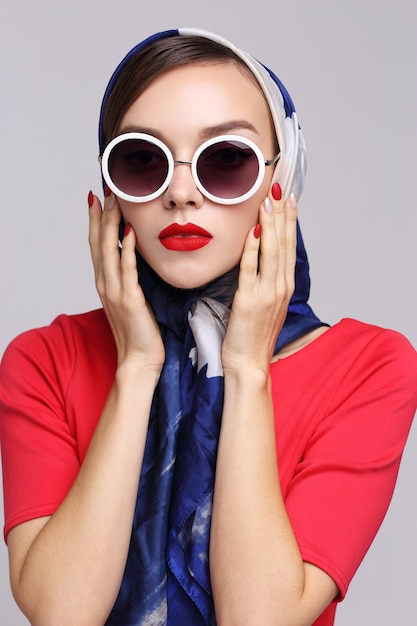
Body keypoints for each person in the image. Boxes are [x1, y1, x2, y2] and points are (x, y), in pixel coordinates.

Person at [0, 27, 416, 626]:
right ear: (112, 189)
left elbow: (259, 618)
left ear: (283, 179)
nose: (181, 194)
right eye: (143, 161)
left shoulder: (370, 366)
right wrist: (137, 368)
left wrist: (246, 370)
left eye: (226, 161)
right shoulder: (42, 360)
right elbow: (62, 615)